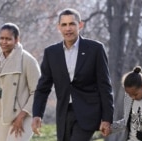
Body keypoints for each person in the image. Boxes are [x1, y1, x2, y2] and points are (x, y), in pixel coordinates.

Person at [31, 8, 114, 141]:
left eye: (72, 24)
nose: (68, 28)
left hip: (88, 112)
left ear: (80, 25)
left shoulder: (95, 49)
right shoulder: (51, 53)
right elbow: (43, 88)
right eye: (64, 25)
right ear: (59, 27)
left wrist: (107, 118)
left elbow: (105, 86)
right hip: (64, 113)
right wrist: (37, 115)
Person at [0, 22, 41, 141]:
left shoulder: (28, 60)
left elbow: (38, 91)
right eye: (1, 38)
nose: (4, 42)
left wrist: (21, 116)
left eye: (8, 39)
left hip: (23, 113)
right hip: (1, 113)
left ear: (17, 39)